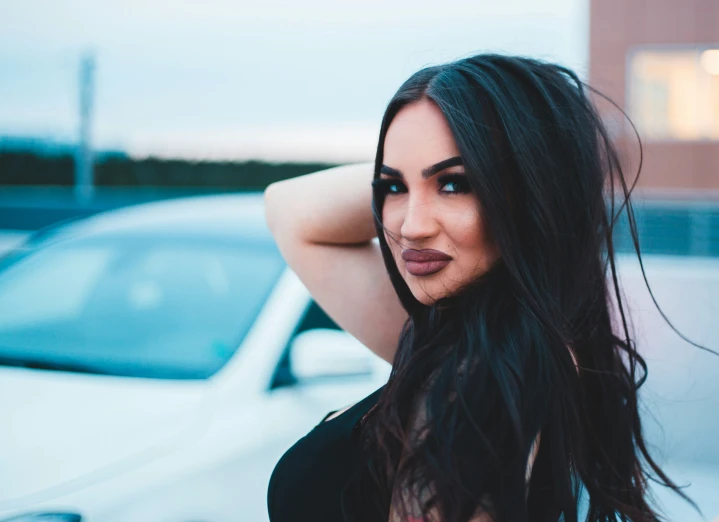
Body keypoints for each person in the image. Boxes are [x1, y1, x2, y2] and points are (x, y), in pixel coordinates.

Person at [263, 53, 715, 522]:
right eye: (393, 188)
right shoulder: (471, 340)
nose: (410, 227)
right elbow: (289, 210)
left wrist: (505, 167)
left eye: (455, 185)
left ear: (530, 190)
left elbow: (291, 213)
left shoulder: (486, 380)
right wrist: (430, 163)